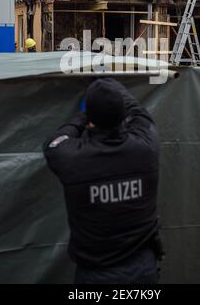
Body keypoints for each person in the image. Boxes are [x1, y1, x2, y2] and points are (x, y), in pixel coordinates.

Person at [43, 78, 162, 284]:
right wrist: (111, 84)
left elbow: (55, 141)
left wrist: (86, 113)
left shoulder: (72, 158)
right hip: (142, 271)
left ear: (91, 119)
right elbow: (140, 113)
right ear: (122, 114)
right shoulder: (146, 147)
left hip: (96, 276)